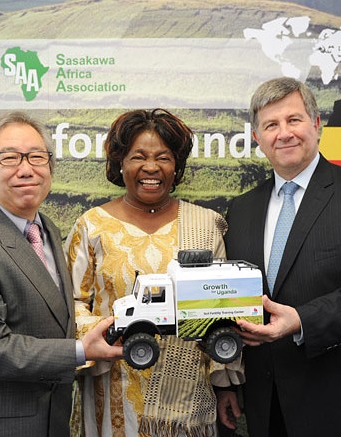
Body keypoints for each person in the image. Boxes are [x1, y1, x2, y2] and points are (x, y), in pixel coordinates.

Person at [216, 78, 341, 437]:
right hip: (269, 405)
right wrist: (229, 381)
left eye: (294, 120)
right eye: (271, 125)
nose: (284, 133)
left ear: (316, 124)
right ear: (258, 139)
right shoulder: (242, 209)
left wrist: (300, 320)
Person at [0, 111, 123, 437]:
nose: (26, 169)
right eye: (9, 158)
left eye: (36, 157)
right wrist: (80, 351)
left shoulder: (46, 228)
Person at [64, 108, 240, 436]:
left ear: (177, 166)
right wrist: (102, 338)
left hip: (186, 397)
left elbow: (221, 306)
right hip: (112, 386)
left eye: (163, 157)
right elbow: (71, 302)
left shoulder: (206, 225)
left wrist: (226, 384)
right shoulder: (92, 226)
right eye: (138, 157)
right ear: (119, 162)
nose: (151, 167)